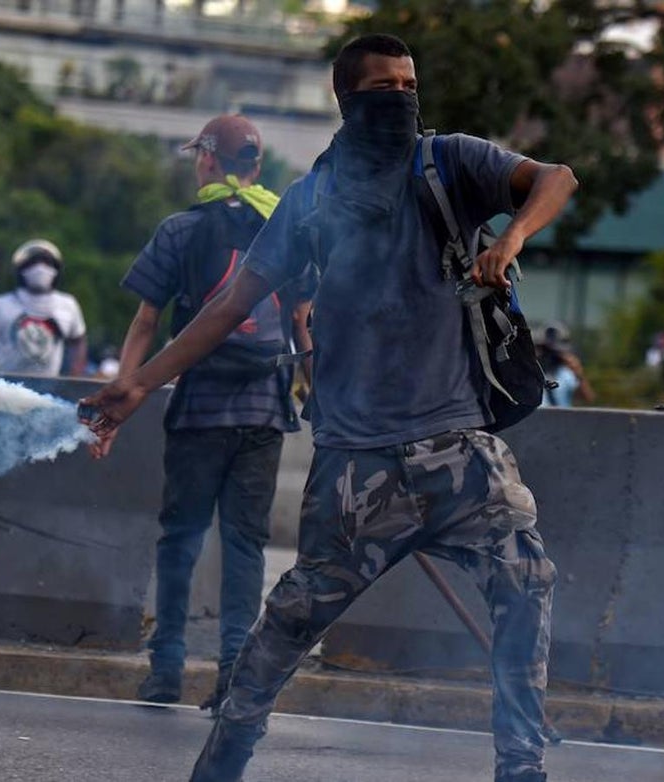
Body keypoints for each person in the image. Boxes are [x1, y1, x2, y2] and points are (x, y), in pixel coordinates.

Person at [81, 33, 577, 782]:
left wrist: (510, 237)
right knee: (287, 625)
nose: (402, 100)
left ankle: (521, 766)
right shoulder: (312, 199)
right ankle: (219, 764)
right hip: (357, 464)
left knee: (526, 583)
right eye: (384, 88)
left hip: (458, 449)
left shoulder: (451, 163)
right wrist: (139, 384)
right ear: (348, 101)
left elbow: (557, 177)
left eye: (410, 85)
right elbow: (226, 306)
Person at [116, 114, 314, 715]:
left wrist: (126, 387)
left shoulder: (180, 230)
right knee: (246, 545)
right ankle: (233, 671)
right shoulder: (288, 230)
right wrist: (317, 389)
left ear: (207, 160)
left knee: (180, 540)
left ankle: (166, 670)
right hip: (264, 411)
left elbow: (147, 322)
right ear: (255, 167)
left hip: (199, 406)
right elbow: (303, 322)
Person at [0, 238, 87, 377]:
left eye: (47, 263)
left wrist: (74, 375)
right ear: (21, 270)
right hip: (8, 385)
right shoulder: (2, 304)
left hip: (51, 385)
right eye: (33, 263)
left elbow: (78, 341)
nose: (40, 269)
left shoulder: (68, 304)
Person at [536, 322, 595, 408]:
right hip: (538, 418)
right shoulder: (533, 372)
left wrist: (578, 374)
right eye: (546, 350)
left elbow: (588, 398)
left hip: (561, 418)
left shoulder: (566, 373)